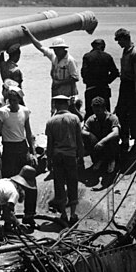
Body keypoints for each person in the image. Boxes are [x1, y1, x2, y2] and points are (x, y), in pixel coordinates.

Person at [0, 86, 37, 225]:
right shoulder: (2, 113)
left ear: (19, 99)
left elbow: (28, 133)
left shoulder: (24, 111)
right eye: (9, 100)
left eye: (14, 99)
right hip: (9, 150)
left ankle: (29, 216)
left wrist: (33, 152)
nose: (12, 102)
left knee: (30, 182)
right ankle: (8, 219)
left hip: (22, 148)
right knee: (8, 184)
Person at [45, 95, 84, 225]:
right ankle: (73, 214)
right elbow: (79, 140)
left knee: (59, 184)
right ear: (67, 105)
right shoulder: (75, 118)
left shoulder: (51, 121)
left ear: (55, 105)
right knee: (73, 183)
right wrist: (81, 157)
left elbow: (49, 144)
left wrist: (49, 160)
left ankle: (63, 214)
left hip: (57, 156)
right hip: (71, 156)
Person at [21, 25, 79, 109]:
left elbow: (75, 78)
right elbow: (40, 46)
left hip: (68, 93)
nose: (55, 51)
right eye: (54, 49)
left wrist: (59, 83)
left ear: (63, 49)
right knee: (54, 111)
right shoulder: (53, 57)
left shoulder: (70, 60)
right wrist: (29, 34)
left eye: (57, 49)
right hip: (56, 91)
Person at [113, 28, 136, 149]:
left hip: (132, 86)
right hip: (124, 85)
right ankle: (124, 138)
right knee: (121, 112)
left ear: (126, 39)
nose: (119, 43)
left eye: (120, 41)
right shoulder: (125, 51)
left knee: (134, 114)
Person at [81, 96, 120, 185]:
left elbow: (116, 132)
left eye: (98, 111)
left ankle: (111, 161)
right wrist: (90, 135)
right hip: (98, 145)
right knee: (86, 138)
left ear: (104, 108)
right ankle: (99, 159)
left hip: (109, 145)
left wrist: (102, 141)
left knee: (112, 139)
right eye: (94, 110)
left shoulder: (112, 118)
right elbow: (82, 131)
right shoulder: (92, 119)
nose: (96, 113)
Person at [81, 38, 120, 119]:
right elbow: (115, 73)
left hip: (90, 88)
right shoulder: (107, 56)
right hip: (104, 88)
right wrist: (107, 81)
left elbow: (84, 72)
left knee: (90, 113)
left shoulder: (87, 57)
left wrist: (88, 81)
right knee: (106, 114)